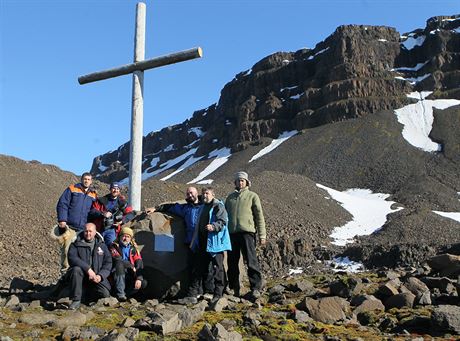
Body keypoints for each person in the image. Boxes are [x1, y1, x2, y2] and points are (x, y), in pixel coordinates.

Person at [146, 186, 213, 301]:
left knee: (208, 267)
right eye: (187, 194)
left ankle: (209, 292)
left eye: (191, 193)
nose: (190, 195)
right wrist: (156, 208)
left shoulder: (206, 205)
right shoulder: (185, 208)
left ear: (197, 193)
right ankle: (194, 294)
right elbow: (171, 207)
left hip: (205, 241)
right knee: (193, 268)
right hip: (191, 243)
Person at [225, 171, 266, 301]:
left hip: (248, 233)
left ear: (247, 182)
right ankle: (233, 288)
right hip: (232, 234)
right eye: (238, 180)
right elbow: (224, 217)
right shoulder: (229, 198)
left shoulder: (252, 196)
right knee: (232, 262)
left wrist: (262, 235)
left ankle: (255, 288)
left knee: (251, 260)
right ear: (235, 183)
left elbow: (259, 217)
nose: (240, 182)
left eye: (243, 180)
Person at [189, 187, 231, 305]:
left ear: (213, 194)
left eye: (207, 193)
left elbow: (223, 221)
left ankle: (218, 294)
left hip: (215, 242)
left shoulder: (218, 206)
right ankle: (201, 293)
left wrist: (214, 226)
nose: (204, 195)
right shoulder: (202, 207)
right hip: (204, 242)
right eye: (203, 194)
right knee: (201, 267)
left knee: (218, 268)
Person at [56, 172, 97, 273]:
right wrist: (62, 219)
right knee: (66, 250)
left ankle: (79, 276)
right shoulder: (72, 189)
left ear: (91, 181)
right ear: (81, 179)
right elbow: (63, 204)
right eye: (85, 179)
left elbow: (94, 210)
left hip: (84, 230)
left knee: (82, 253)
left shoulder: (93, 194)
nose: (86, 181)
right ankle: (65, 274)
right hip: (70, 227)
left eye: (88, 179)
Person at [66, 222, 112, 310]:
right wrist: (88, 269)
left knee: (105, 294)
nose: (88, 233)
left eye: (90, 231)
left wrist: (101, 276)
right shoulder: (75, 243)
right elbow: (72, 258)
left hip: (96, 276)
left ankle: (88, 297)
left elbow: (108, 263)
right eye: (86, 231)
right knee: (76, 269)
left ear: (95, 232)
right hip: (81, 277)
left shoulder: (102, 245)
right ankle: (76, 300)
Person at [89, 182, 133, 247]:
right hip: (99, 228)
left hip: (112, 230)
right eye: (113, 188)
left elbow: (131, 213)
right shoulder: (101, 200)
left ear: (119, 190)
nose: (115, 190)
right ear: (110, 189)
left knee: (111, 248)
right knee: (97, 248)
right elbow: (92, 211)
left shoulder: (122, 203)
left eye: (117, 189)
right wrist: (102, 213)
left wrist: (122, 221)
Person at [109, 227, 147, 301]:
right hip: (116, 272)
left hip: (130, 272)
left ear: (131, 238)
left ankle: (126, 295)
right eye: (123, 236)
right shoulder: (113, 247)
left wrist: (139, 278)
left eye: (128, 236)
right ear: (119, 237)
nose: (125, 238)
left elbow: (139, 262)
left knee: (143, 283)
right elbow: (118, 259)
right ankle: (120, 294)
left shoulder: (134, 249)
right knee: (119, 265)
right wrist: (131, 266)